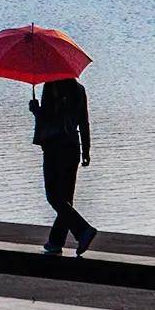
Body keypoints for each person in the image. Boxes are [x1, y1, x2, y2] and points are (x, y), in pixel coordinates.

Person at [29, 75, 97, 256]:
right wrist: (86, 150)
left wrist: (35, 110)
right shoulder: (79, 90)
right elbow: (84, 121)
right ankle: (56, 241)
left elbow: (49, 118)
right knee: (66, 197)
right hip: (73, 146)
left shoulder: (51, 86)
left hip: (54, 147)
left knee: (53, 195)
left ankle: (83, 230)